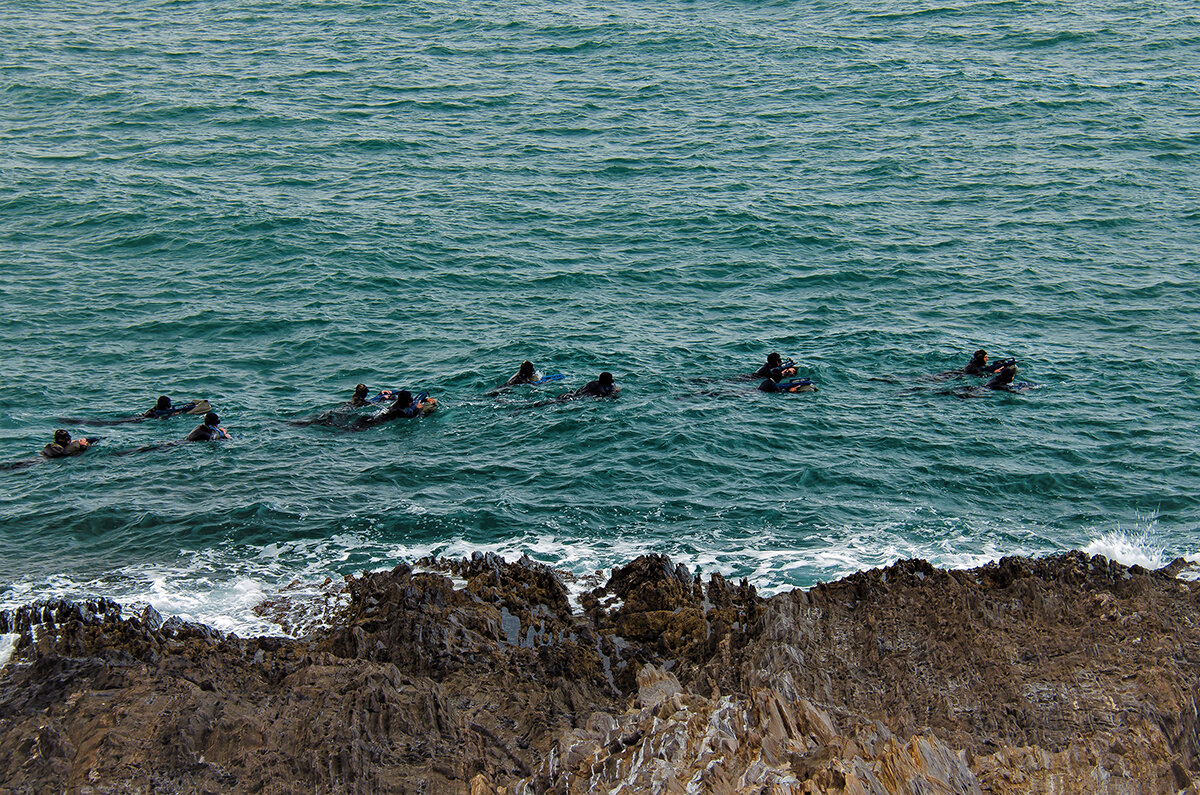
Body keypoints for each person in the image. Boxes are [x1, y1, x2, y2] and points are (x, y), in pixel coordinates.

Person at [349, 390, 437, 430]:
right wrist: (418, 409)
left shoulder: (397, 403)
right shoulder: (398, 411)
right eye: (411, 400)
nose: (412, 401)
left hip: (369, 418)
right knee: (348, 430)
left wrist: (426, 399)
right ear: (406, 402)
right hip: (371, 424)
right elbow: (412, 417)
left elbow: (402, 392)